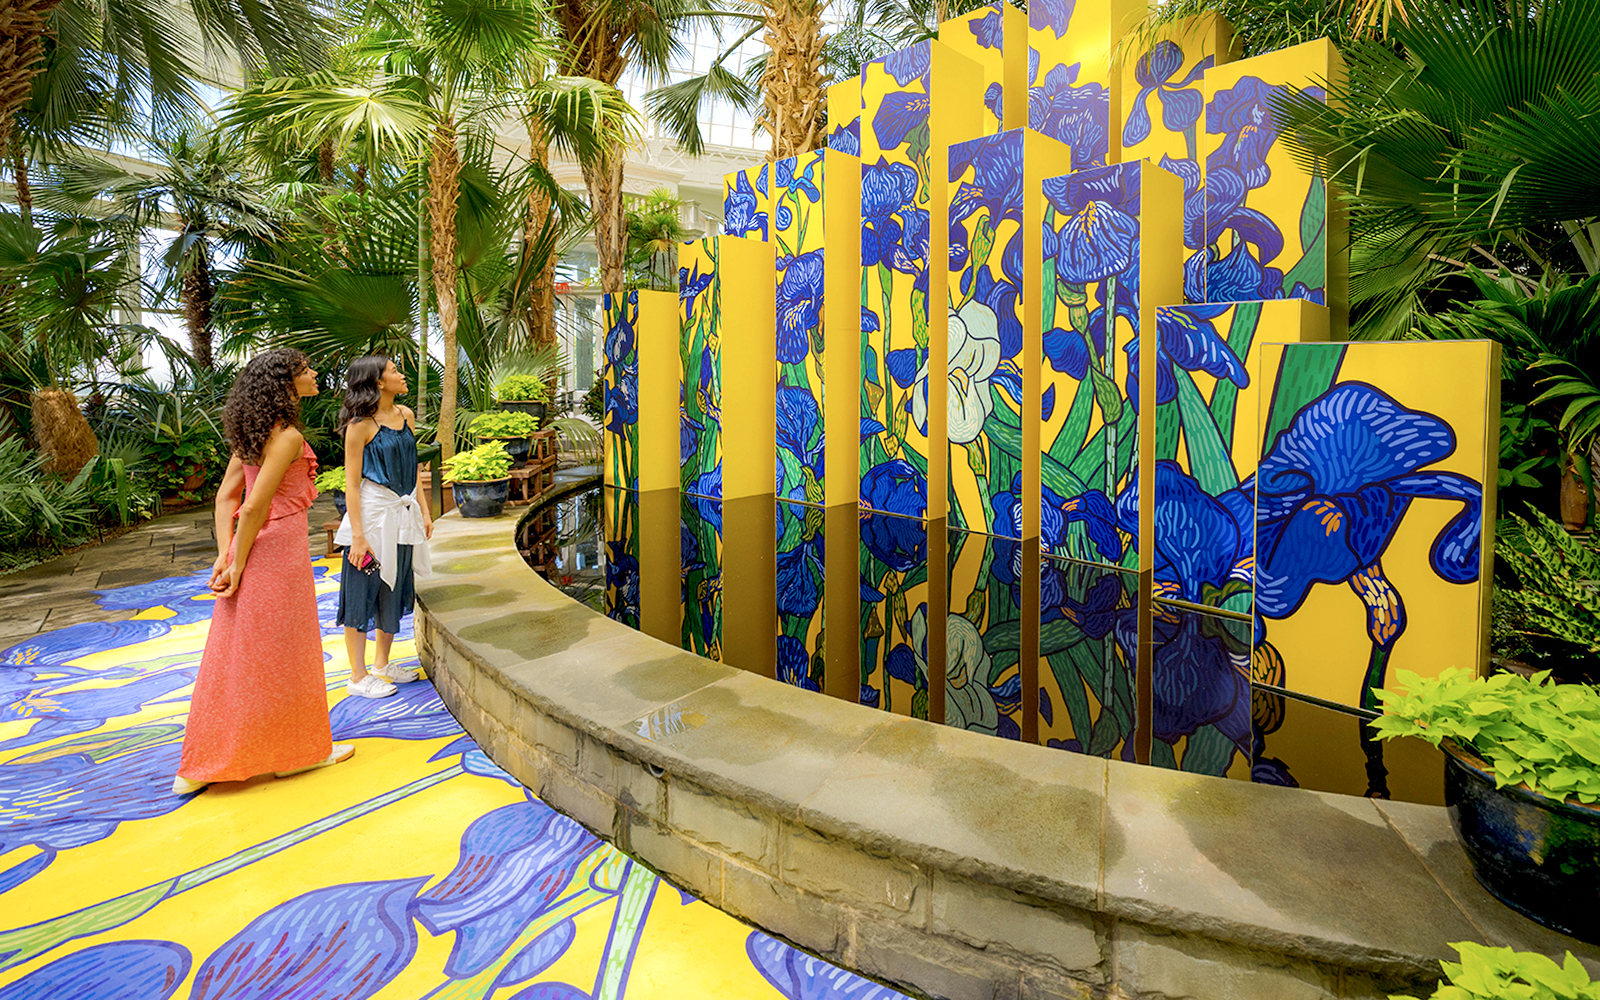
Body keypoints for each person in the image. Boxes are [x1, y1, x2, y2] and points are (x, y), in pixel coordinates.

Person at [173, 349, 352, 795]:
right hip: (276, 551)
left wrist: (227, 554)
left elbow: (225, 500)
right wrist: (234, 560)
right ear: (286, 384)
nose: (313, 375)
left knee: (237, 649)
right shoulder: (287, 436)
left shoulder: (251, 432)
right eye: (305, 370)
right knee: (289, 648)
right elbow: (252, 504)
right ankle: (299, 753)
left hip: (251, 546)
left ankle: (208, 759)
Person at [333, 355, 433, 698]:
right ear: (377, 381)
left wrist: (424, 510)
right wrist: (357, 537)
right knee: (362, 591)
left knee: (395, 586)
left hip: (403, 513)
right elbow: (351, 483)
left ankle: (381, 664)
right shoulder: (360, 426)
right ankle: (357, 677)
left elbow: (414, 466)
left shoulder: (406, 415)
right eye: (394, 370)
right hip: (374, 517)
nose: (401, 375)